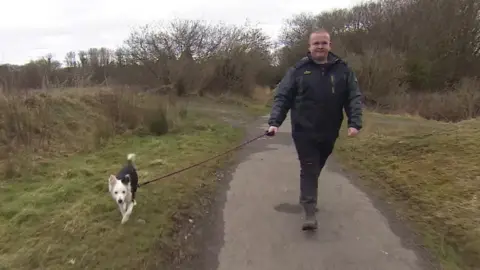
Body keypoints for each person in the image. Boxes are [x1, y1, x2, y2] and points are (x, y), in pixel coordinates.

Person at [266, 29, 363, 231]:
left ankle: (306, 195)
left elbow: (353, 97)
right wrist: (275, 122)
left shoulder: (343, 70)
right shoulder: (298, 70)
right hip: (304, 130)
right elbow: (283, 97)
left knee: (315, 167)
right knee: (310, 167)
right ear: (309, 47)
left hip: (329, 130)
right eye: (316, 43)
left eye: (324, 43)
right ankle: (310, 211)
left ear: (330, 46)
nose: (320, 46)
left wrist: (354, 123)